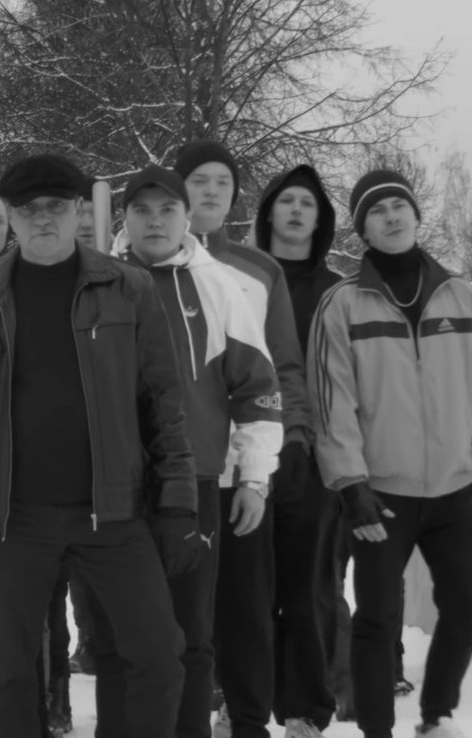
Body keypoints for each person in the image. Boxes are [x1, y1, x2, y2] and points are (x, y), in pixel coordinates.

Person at [0, 153, 199, 738]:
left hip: (116, 514)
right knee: (11, 674)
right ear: (8, 216)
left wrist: (177, 503)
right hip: (11, 520)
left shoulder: (128, 289)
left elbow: (164, 408)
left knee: (158, 659)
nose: (44, 219)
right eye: (28, 209)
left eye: (57, 208)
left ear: (78, 214)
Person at [309, 169, 472, 738]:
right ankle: (378, 731)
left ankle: (436, 717)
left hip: (453, 489)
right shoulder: (343, 304)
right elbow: (334, 401)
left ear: (416, 216)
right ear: (362, 231)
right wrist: (351, 487)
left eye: (399, 205)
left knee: (468, 609)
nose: (392, 216)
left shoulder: (460, 295)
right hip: (382, 497)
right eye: (377, 211)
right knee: (377, 623)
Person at [91, 164, 281, 738]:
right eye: (142, 211)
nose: (155, 221)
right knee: (114, 636)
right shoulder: (98, 280)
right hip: (109, 486)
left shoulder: (218, 284)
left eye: (167, 210)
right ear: (124, 219)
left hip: (193, 482)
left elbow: (258, 387)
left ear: (185, 217)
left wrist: (253, 477)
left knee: (190, 634)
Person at [171, 140, 313, 738]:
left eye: (222, 183)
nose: (209, 191)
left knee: (247, 607)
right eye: (198, 180)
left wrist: (293, 440)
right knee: (175, 617)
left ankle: (249, 719)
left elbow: (281, 366)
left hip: (241, 475)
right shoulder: (136, 265)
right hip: (169, 476)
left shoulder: (259, 271)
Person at [252, 164, 343, 737]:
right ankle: (243, 697)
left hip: (316, 459)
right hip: (249, 453)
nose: (295, 210)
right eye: (285, 201)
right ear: (267, 215)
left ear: (320, 219)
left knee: (310, 587)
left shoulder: (339, 292)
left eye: (306, 203)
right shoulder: (240, 278)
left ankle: (306, 709)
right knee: (247, 586)